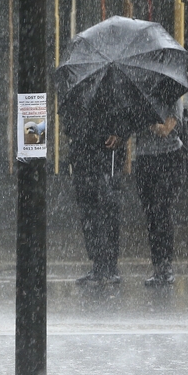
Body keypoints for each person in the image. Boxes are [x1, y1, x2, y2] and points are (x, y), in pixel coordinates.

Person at [65, 108, 135, 285]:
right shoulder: (81, 97)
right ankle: (99, 263)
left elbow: (128, 119)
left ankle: (108, 265)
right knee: (90, 215)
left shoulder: (113, 93)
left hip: (105, 160)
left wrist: (120, 134)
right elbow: (69, 126)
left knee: (106, 212)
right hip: (86, 160)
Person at [134, 100, 187, 286]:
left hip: (169, 158)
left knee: (161, 210)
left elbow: (166, 129)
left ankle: (165, 266)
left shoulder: (172, 93)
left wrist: (145, 120)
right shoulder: (138, 95)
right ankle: (158, 266)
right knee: (151, 215)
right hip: (143, 160)